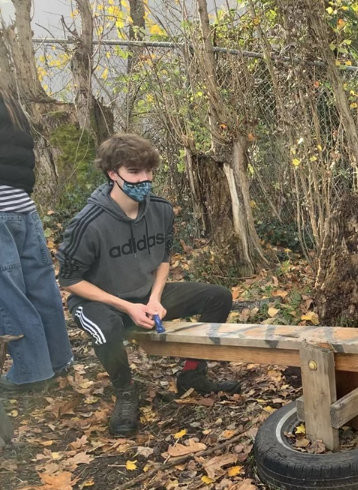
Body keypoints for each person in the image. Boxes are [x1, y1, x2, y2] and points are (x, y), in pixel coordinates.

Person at [57, 134, 240, 438]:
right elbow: (70, 280)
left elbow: (164, 257)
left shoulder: (161, 210)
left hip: (145, 294)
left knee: (218, 297)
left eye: (149, 171)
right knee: (106, 327)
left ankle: (193, 374)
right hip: (99, 302)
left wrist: (155, 298)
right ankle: (125, 391)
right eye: (134, 172)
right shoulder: (88, 223)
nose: (144, 179)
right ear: (112, 173)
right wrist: (127, 306)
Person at [0, 86, 74, 394]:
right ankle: (58, 361)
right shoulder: (9, 98)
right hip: (23, 206)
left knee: (9, 294)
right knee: (40, 287)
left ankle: (32, 372)